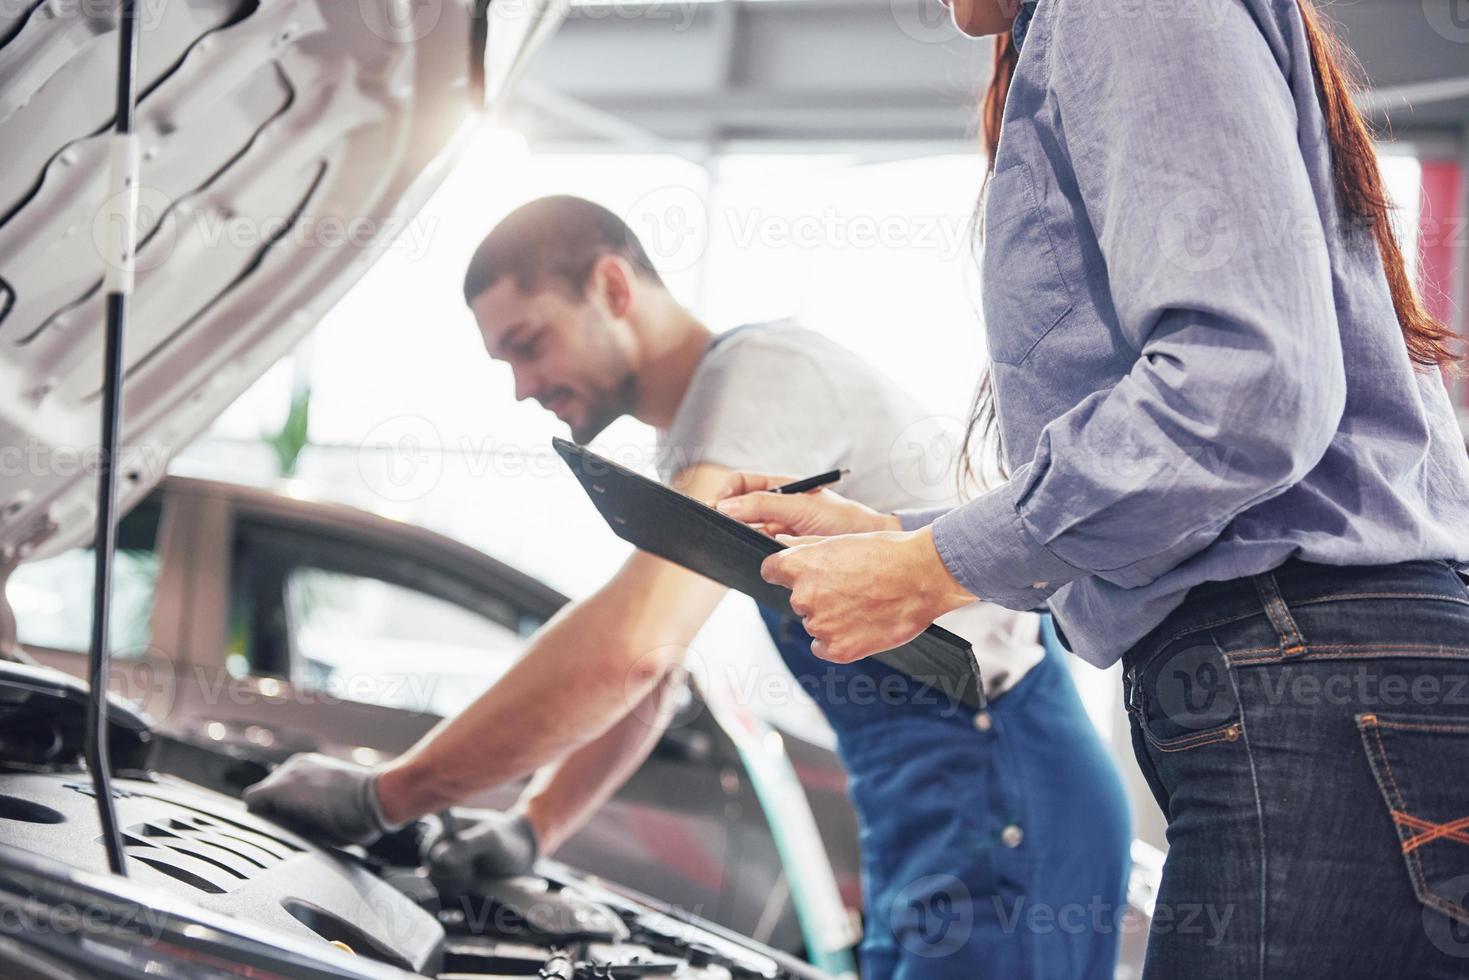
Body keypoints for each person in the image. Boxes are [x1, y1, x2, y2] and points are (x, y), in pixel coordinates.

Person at [714, 1, 1469, 977]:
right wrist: (905, 539)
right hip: (1311, 670)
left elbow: (1242, 387)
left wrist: (934, 565)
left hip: (1305, 674)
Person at [244, 195, 1133, 978]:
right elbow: (661, 670)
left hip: (1002, 782)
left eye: (528, 344)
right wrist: (533, 825)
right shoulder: (710, 434)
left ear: (613, 287)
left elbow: (634, 645)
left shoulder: (763, 381)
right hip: (925, 796)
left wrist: (385, 795)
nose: (520, 388)